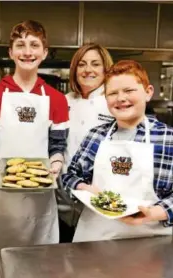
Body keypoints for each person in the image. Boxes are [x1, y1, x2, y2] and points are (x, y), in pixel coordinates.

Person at [62, 60, 173, 242]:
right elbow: (70, 176)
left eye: (129, 91)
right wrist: (84, 188)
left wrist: (152, 214)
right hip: (93, 240)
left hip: (147, 245)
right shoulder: (95, 136)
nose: (121, 98)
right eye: (113, 93)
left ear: (148, 92)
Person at [0, 20, 69, 251]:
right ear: (11, 52)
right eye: (20, 45)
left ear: (44, 52)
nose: (28, 52)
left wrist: (56, 165)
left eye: (34, 45)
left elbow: (57, 146)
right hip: (1, 191)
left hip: (40, 193)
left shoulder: (57, 99)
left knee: (38, 259)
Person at [58, 43, 115, 243]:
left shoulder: (114, 102)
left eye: (95, 64)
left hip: (98, 201)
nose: (88, 70)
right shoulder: (63, 101)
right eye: (82, 64)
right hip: (62, 201)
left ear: (106, 69)